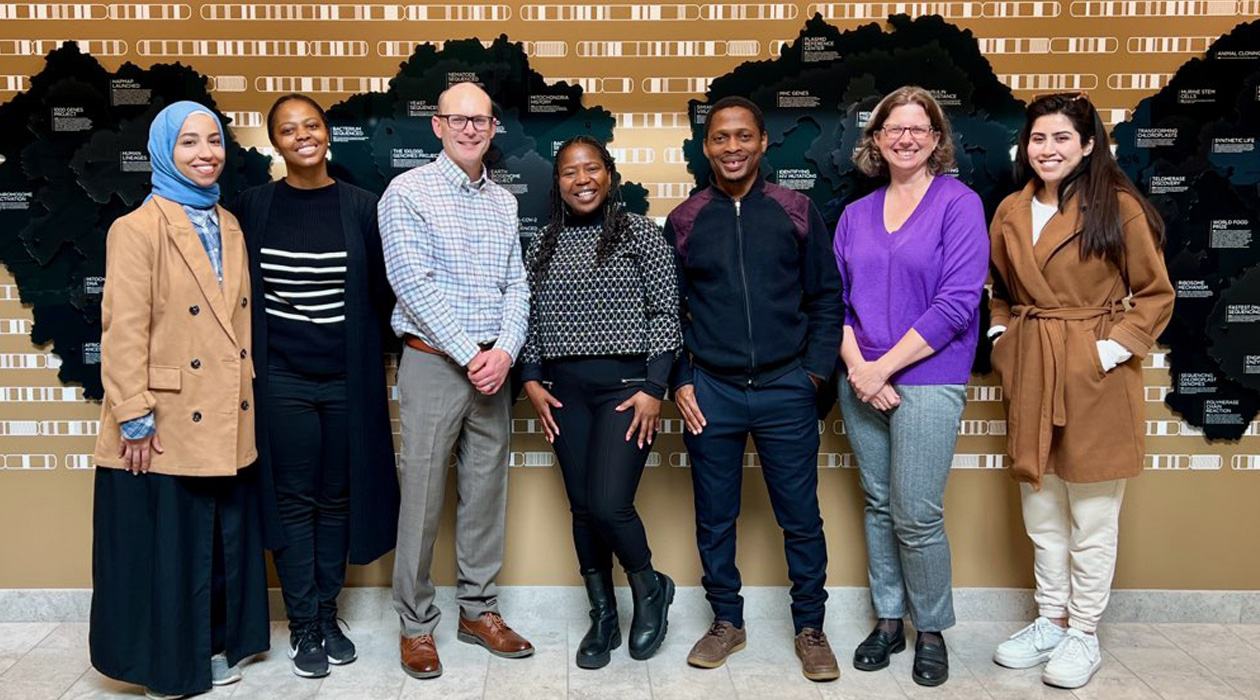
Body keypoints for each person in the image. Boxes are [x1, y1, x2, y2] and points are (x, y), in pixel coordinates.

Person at [988, 92, 1173, 689]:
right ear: (1026, 146)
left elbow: (1155, 293)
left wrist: (1107, 351)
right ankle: (1049, 618)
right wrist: (1000, 338)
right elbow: (997, 289)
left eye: (1062, 138)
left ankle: (1083, 632)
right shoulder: (1011, 210)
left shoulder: (1117, 207)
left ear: (1089, 144)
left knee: (1092, 515)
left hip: (1095, 370)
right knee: (1041, 509)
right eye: (1038, 139)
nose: (1049, 149)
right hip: (1033, 363)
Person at [89, 101, 269, 699]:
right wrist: (134, 418)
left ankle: (214, 648)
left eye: (213, 141)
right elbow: (122, 330)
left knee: (217, 542)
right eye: (188, 142)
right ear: (165, 151)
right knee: (168, 549)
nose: (205, 153)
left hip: (224, 411)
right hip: (163, 418)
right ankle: (167, 670)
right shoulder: (137, 227)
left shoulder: (229, 223)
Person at [666, 95, 844, 682]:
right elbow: (670, 313)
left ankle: (811, 628)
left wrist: (812, 375)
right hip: (711, 391)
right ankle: (726, 621)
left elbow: (825, 298)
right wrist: (683, 380)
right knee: (715, 517)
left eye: (744, 136)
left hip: (785, 388)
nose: (733, 147)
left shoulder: (796, 210)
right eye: (721, 138)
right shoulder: (686, 220)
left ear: (764, 142)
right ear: (706, 146)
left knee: (800, 516)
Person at [232, 94, 400, 679]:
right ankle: (302, 623)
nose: (302, 135)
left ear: (327, 133)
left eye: (312, 125)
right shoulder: (252, 206)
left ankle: (329, 614)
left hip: (348, 380)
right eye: (288, 129)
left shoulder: (362, 207)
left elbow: (382, 294)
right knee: (292, 501)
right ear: (274, 143)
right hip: (280, 380)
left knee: (337, 501)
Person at [833, 85, 989, 688]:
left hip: (927, 378)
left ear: (936, 138)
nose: (904, 138)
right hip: (861, 379)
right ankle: (889, 621)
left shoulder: (959, 204)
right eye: (892, 128)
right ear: (875, 139)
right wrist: (859, 370)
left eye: (917, 129)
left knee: (916, 515)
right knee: (878, 504)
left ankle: (931, 630)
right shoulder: (854, 215)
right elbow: (836, 302)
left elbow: (956, 305)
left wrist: (883, 369)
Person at [379, 81, 533, 680]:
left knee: (485, 496)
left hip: (493, 369)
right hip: (433, 363)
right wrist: (475, 353)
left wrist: (506, 351)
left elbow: (516, 284)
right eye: (459, 119)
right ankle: (416, 625)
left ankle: (478, 610)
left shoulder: (503, 202)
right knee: (420, 499)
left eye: (482, 120)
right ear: (438, 126)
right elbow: (412, 285)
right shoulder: (406, 192)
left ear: (494, 129)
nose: (471, 129)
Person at [520, 136, 682, 669]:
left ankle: (650, 590)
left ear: (609, 175)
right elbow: (532, 318)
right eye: (569, 171)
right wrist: (532, 378)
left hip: (626, 390)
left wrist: (654, 387)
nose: (581, 179)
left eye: (592, 169)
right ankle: (603, 615)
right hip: (564, 392)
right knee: (584, 508)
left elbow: (665, 314)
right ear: (558, 182)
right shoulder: (543, 241)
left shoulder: (641, 234)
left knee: (611, 502)